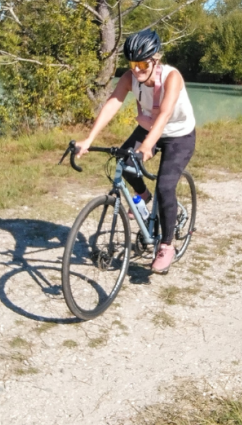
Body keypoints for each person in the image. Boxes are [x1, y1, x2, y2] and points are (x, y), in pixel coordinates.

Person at [75, 29, 196, 274]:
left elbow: (164, 114)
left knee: (165, 186)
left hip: (179, 134)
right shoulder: (130, 77)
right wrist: (88, 139)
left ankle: (166, 245)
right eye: (133, 64)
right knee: (124, 162)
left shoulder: (172, 77)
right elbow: (113, 103)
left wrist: (147, 146)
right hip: (148, 127)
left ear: (156, 59)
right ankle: (144, 199)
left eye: (143, 64)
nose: (137, 70)